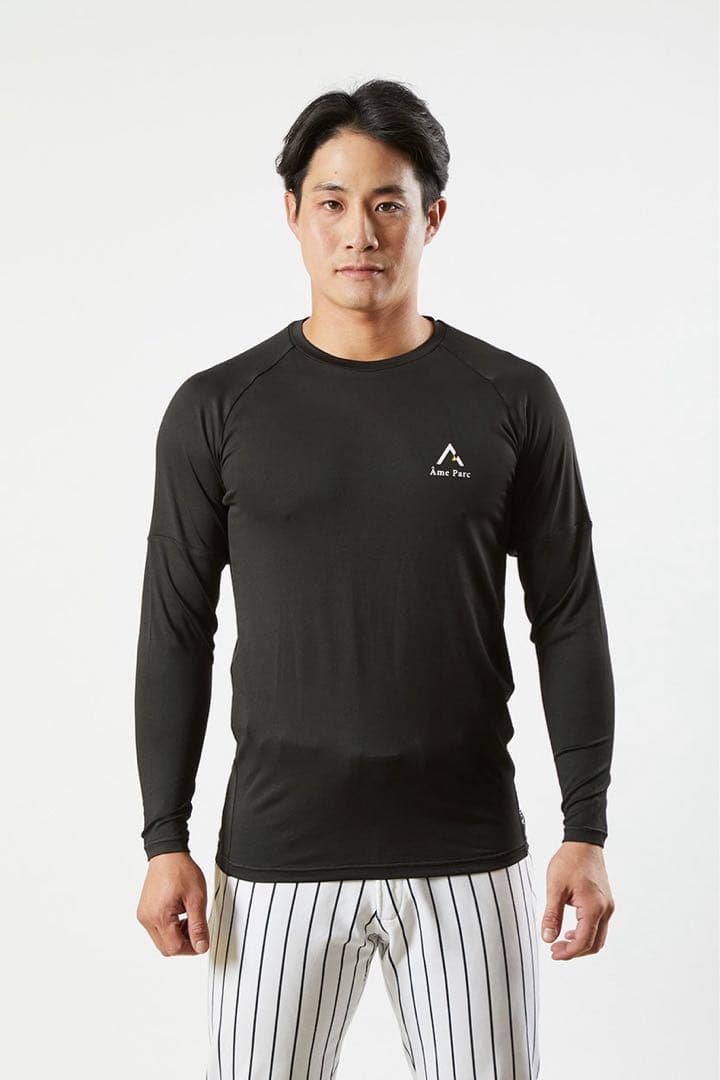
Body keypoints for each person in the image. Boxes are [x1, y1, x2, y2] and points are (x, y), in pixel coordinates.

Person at [134, 78, 616, 1080]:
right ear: (293, 214)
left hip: (467, 857)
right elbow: (176, 629)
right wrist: (163, 838)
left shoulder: (511, 399)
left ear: (432, 216)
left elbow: (567, 613)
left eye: (389, 202)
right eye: (334, 202)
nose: (361, 232)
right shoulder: (217, 410)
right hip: (276, 861)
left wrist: (587, 827)